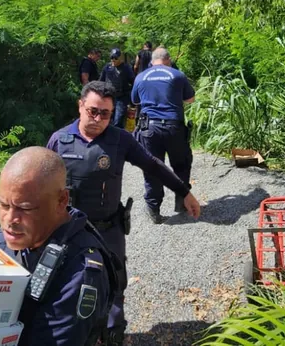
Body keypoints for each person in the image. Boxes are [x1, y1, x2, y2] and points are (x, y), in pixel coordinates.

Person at [46, 81, 201, 345]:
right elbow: (41, 183)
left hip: (109, 229)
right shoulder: (59, 141)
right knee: (65, 286)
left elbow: (153, 166)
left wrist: (183, 191)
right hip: (68, 231)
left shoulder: (120, 140)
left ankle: (113, 335)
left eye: (105, 114)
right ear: (80, 106)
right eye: (92, 111)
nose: (98, 118)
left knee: (115, 286)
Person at [0, 147, 121, 346]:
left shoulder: (79, 274)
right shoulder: (7, 237)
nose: (10, 220)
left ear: (61, 200)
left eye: (25, 208)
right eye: (4, 205)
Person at [131, 47, 196, 222]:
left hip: (149, 128)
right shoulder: (177, 75)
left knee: (152, 167)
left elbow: (135, 100)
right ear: (168, 60)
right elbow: (190, 99)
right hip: (174, 127)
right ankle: (181, 201)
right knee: (181, 164)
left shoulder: (141, 76)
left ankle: (154, 210)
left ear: (152, 62)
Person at [99, 48, 135, 129]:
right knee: (107, 119)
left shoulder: (126, 68)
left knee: (118, 120)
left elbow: (133, 81)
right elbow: (100, 81)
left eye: (115, 58)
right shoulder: (107, 67)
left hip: (121, 98)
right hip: (109, 97)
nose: (113, 60)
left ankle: (118, 138)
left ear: (120, 58)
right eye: (112, 57)